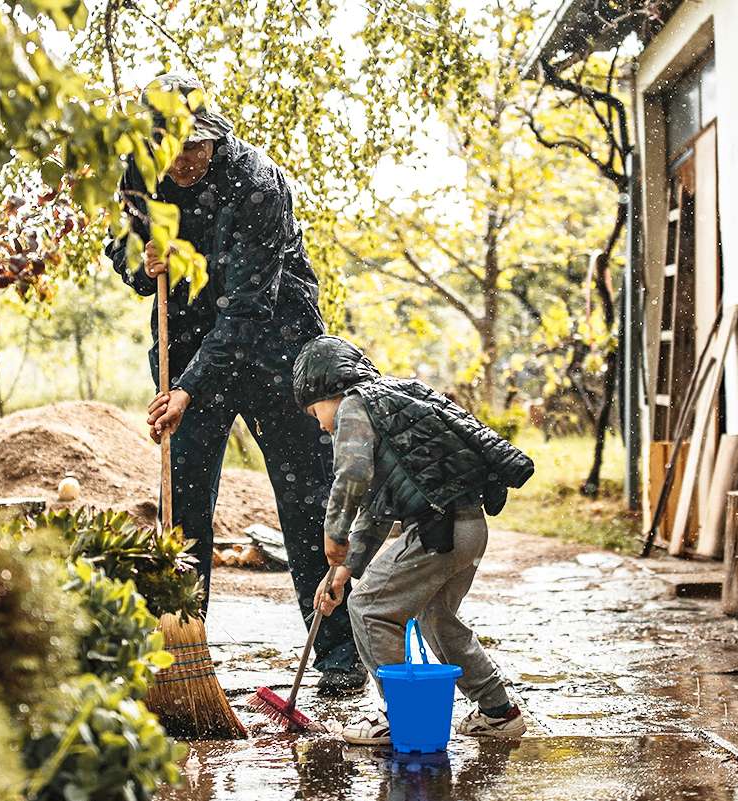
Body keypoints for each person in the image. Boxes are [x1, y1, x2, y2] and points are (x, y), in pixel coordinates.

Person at [107, 73, 364, 693]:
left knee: (306, 498)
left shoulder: (256, 182)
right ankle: (181, 655)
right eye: (170, 149)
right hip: (187, 348)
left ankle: (337, 655)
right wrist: (140, 261)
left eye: (194, 146)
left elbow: (248, 308)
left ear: (214, 137)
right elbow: (124, 254)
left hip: (276, 349)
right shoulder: (139, 175)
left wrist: (191, 388)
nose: (183, 162)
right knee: (183, 506)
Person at [293, 335, 535, 745]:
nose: (319, 423)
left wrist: (333, 534)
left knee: (368, 607)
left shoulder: (353, 404)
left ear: (327, 389)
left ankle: (400, 715)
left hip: (435, 529)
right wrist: (344, 570)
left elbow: (352, 475)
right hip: (468, 527)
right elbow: (375, 510)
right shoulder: (390, 405)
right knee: (437, 619)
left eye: (315, 411)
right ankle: (499, 711)